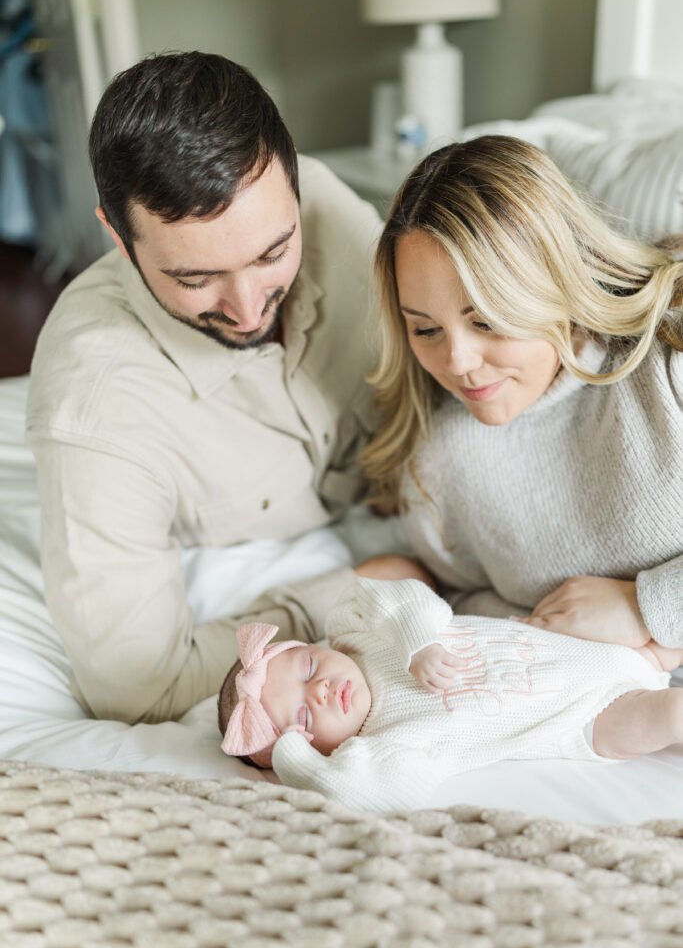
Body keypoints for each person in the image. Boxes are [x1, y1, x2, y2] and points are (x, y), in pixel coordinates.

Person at [25, 51, 385, 725]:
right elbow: (142, 688)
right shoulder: (96, 408)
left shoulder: (326, 204)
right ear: (119, 239)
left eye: (272, 253)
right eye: (195, 279)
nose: (249, 309)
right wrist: (353, 594)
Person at [360, 135, 683, 650]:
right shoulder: (440, 457)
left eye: (485, 320)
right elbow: (466, 606)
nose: (457, 363)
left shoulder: (669, 351)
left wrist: (644, 610)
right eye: (425, 330)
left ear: (551, 281)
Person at [218, 577, 682, 812]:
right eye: (302, 718)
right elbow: (365, 792)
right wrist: (295, 763)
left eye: (308, 667)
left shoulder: (356, 634)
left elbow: (387, 594)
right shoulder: (384, 743)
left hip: (591, 645)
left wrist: (417, 640)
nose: (319, 691)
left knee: (667, 626)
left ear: (315, 645)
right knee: (672, 716)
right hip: (584, 719)